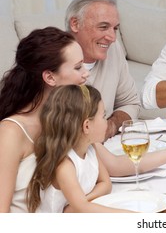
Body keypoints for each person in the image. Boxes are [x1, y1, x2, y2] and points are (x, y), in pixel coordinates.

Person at [0, 27, 90, 213]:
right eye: (78, 67)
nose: (86, 73)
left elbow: (112, 165)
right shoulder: (11, 132)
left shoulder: (65, 115)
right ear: (49, 77)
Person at [26, 85, 132, 213]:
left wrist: (79, 202)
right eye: (103, 116)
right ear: (87, 126)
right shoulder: (65, 165)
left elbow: (105, 183)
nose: (106, 122)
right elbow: (82, 208)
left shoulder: (90, 149)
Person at [65, 0, 140, 139]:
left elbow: (131, 103)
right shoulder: (52, 60)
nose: (112, 38)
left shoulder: (114, 49)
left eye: (115, 28)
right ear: (75, 24)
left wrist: (110, 126)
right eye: (103, 27)